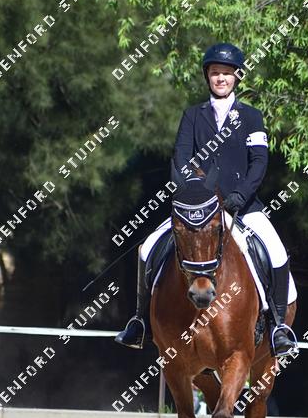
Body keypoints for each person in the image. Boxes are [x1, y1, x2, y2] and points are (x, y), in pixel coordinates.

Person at [115, 42, 297, 356]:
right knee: (147, 248)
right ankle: (140, 321)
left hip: (243, 207)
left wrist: (240, 195)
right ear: (207, 76)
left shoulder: (251, 117)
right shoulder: (192, 116)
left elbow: (259, 162)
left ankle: (279, 326)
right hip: (198, 207)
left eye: (226, 73)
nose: (221, 78)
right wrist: (196, 191)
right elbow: (181, 157)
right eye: (215, 73)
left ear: (236, 77)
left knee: (277, 253)